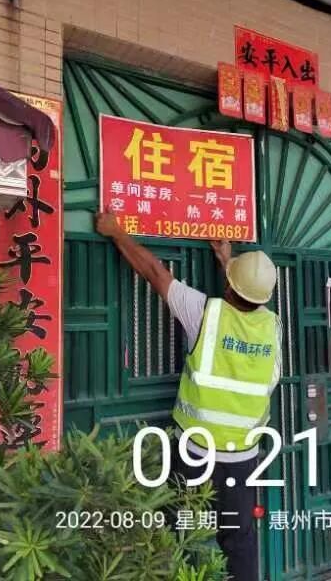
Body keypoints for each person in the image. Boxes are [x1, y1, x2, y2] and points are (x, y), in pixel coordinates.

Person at [95, 210, 281, 581]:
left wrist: (117, 233)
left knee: (177, 532)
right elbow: (248, 302)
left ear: (229, 287)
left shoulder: (205, 314)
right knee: (240, 542)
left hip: (195, 453)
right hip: (243, 460)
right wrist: (227, 261)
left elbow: (155, 273)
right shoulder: (271, 326)